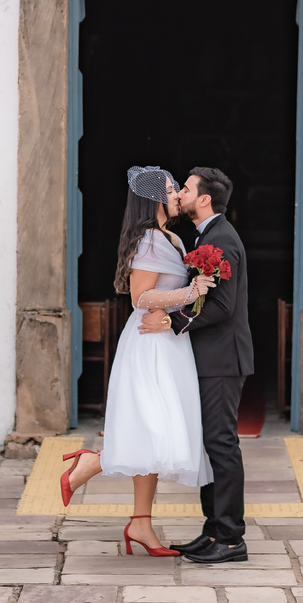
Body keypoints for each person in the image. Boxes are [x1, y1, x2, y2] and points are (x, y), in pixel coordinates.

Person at [60, 165, 216, 557]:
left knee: (156, 436)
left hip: (167, 340)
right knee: (154, 429)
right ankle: (93, 462)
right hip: (150, 345)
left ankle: (140, 524)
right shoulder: (150, 240)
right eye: (170, 187)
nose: (178, 191)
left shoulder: (170, 238)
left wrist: (189, 296)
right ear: (153, 198)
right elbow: (139, 297)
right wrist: (189, 292)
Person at [139, 166, 253, 564]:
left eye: (185, 189)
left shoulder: (221, 240)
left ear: (204, 199)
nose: (179, 193)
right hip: (208, 358)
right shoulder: (207, 236)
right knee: (209, 445)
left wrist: (174, 320)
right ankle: (213, 531)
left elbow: (221, 306)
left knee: (221, 444)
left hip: (222, 359)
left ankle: (232, 538)